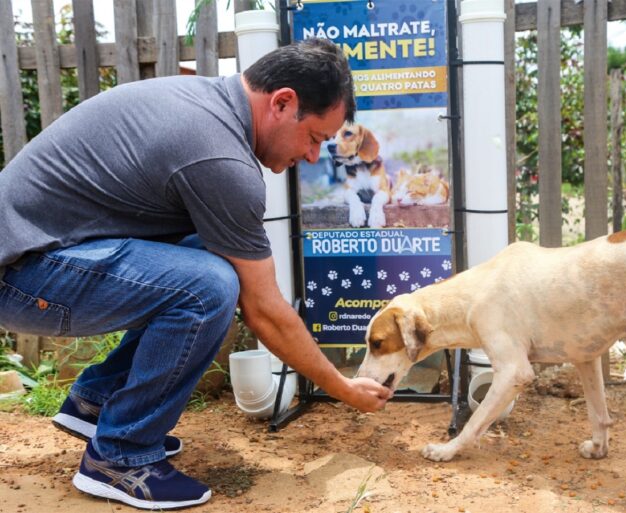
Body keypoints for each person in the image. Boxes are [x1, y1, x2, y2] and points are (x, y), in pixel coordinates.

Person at [0, 38, 392, 510]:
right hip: (21, 273)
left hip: (42, 251)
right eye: (314, 139)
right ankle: (119, 458)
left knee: (210, 259)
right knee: (210, 286)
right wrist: (342, 387)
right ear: (283, 102)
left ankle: (99, 404)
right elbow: (263, 308)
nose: (312, 158)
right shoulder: (219, 158)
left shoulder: (205, 104)